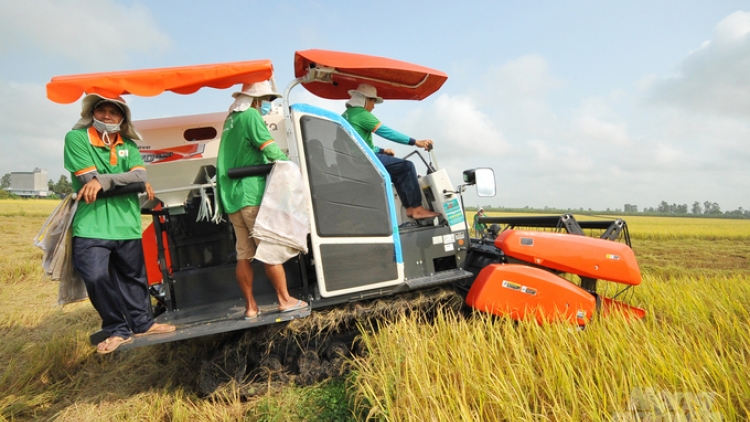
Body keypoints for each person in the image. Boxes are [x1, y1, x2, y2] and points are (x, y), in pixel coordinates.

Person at [64, 93, 175, 355]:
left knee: (134, 278)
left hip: (126, 223)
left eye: (113, 112)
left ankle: (142, 324)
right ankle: (116, 328)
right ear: (92, 113)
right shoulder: (76, 138)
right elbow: (88, 179)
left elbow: (139, 174)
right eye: (101, 110)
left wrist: (104, 181)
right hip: (91, 224)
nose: (106, 116)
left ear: (122, 118)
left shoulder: (128, 144)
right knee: (95, 276)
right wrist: (128, 182)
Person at [216, 80, 307, 320]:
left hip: (232, 197)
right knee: (269, 248)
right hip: (251, 194)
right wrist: (291, 166)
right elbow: (269, 148)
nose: (269, 104)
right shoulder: (250, 116)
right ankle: (285, 300)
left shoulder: (230, 120)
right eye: (267, 100)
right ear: (255, 100)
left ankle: (251, 307)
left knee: (243, 254)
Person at [342, 84, 441, 220]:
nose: (374, 106)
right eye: (373, 101)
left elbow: (358, 144)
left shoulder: (346, 115)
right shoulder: (362, 114)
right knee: (407, 167)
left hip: (354, 158)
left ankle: (410, 209)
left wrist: (383, 151)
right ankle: (417, 208)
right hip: (364, 159)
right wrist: (416, 142)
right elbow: (388, 133)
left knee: (397, 173)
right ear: (364, 100)